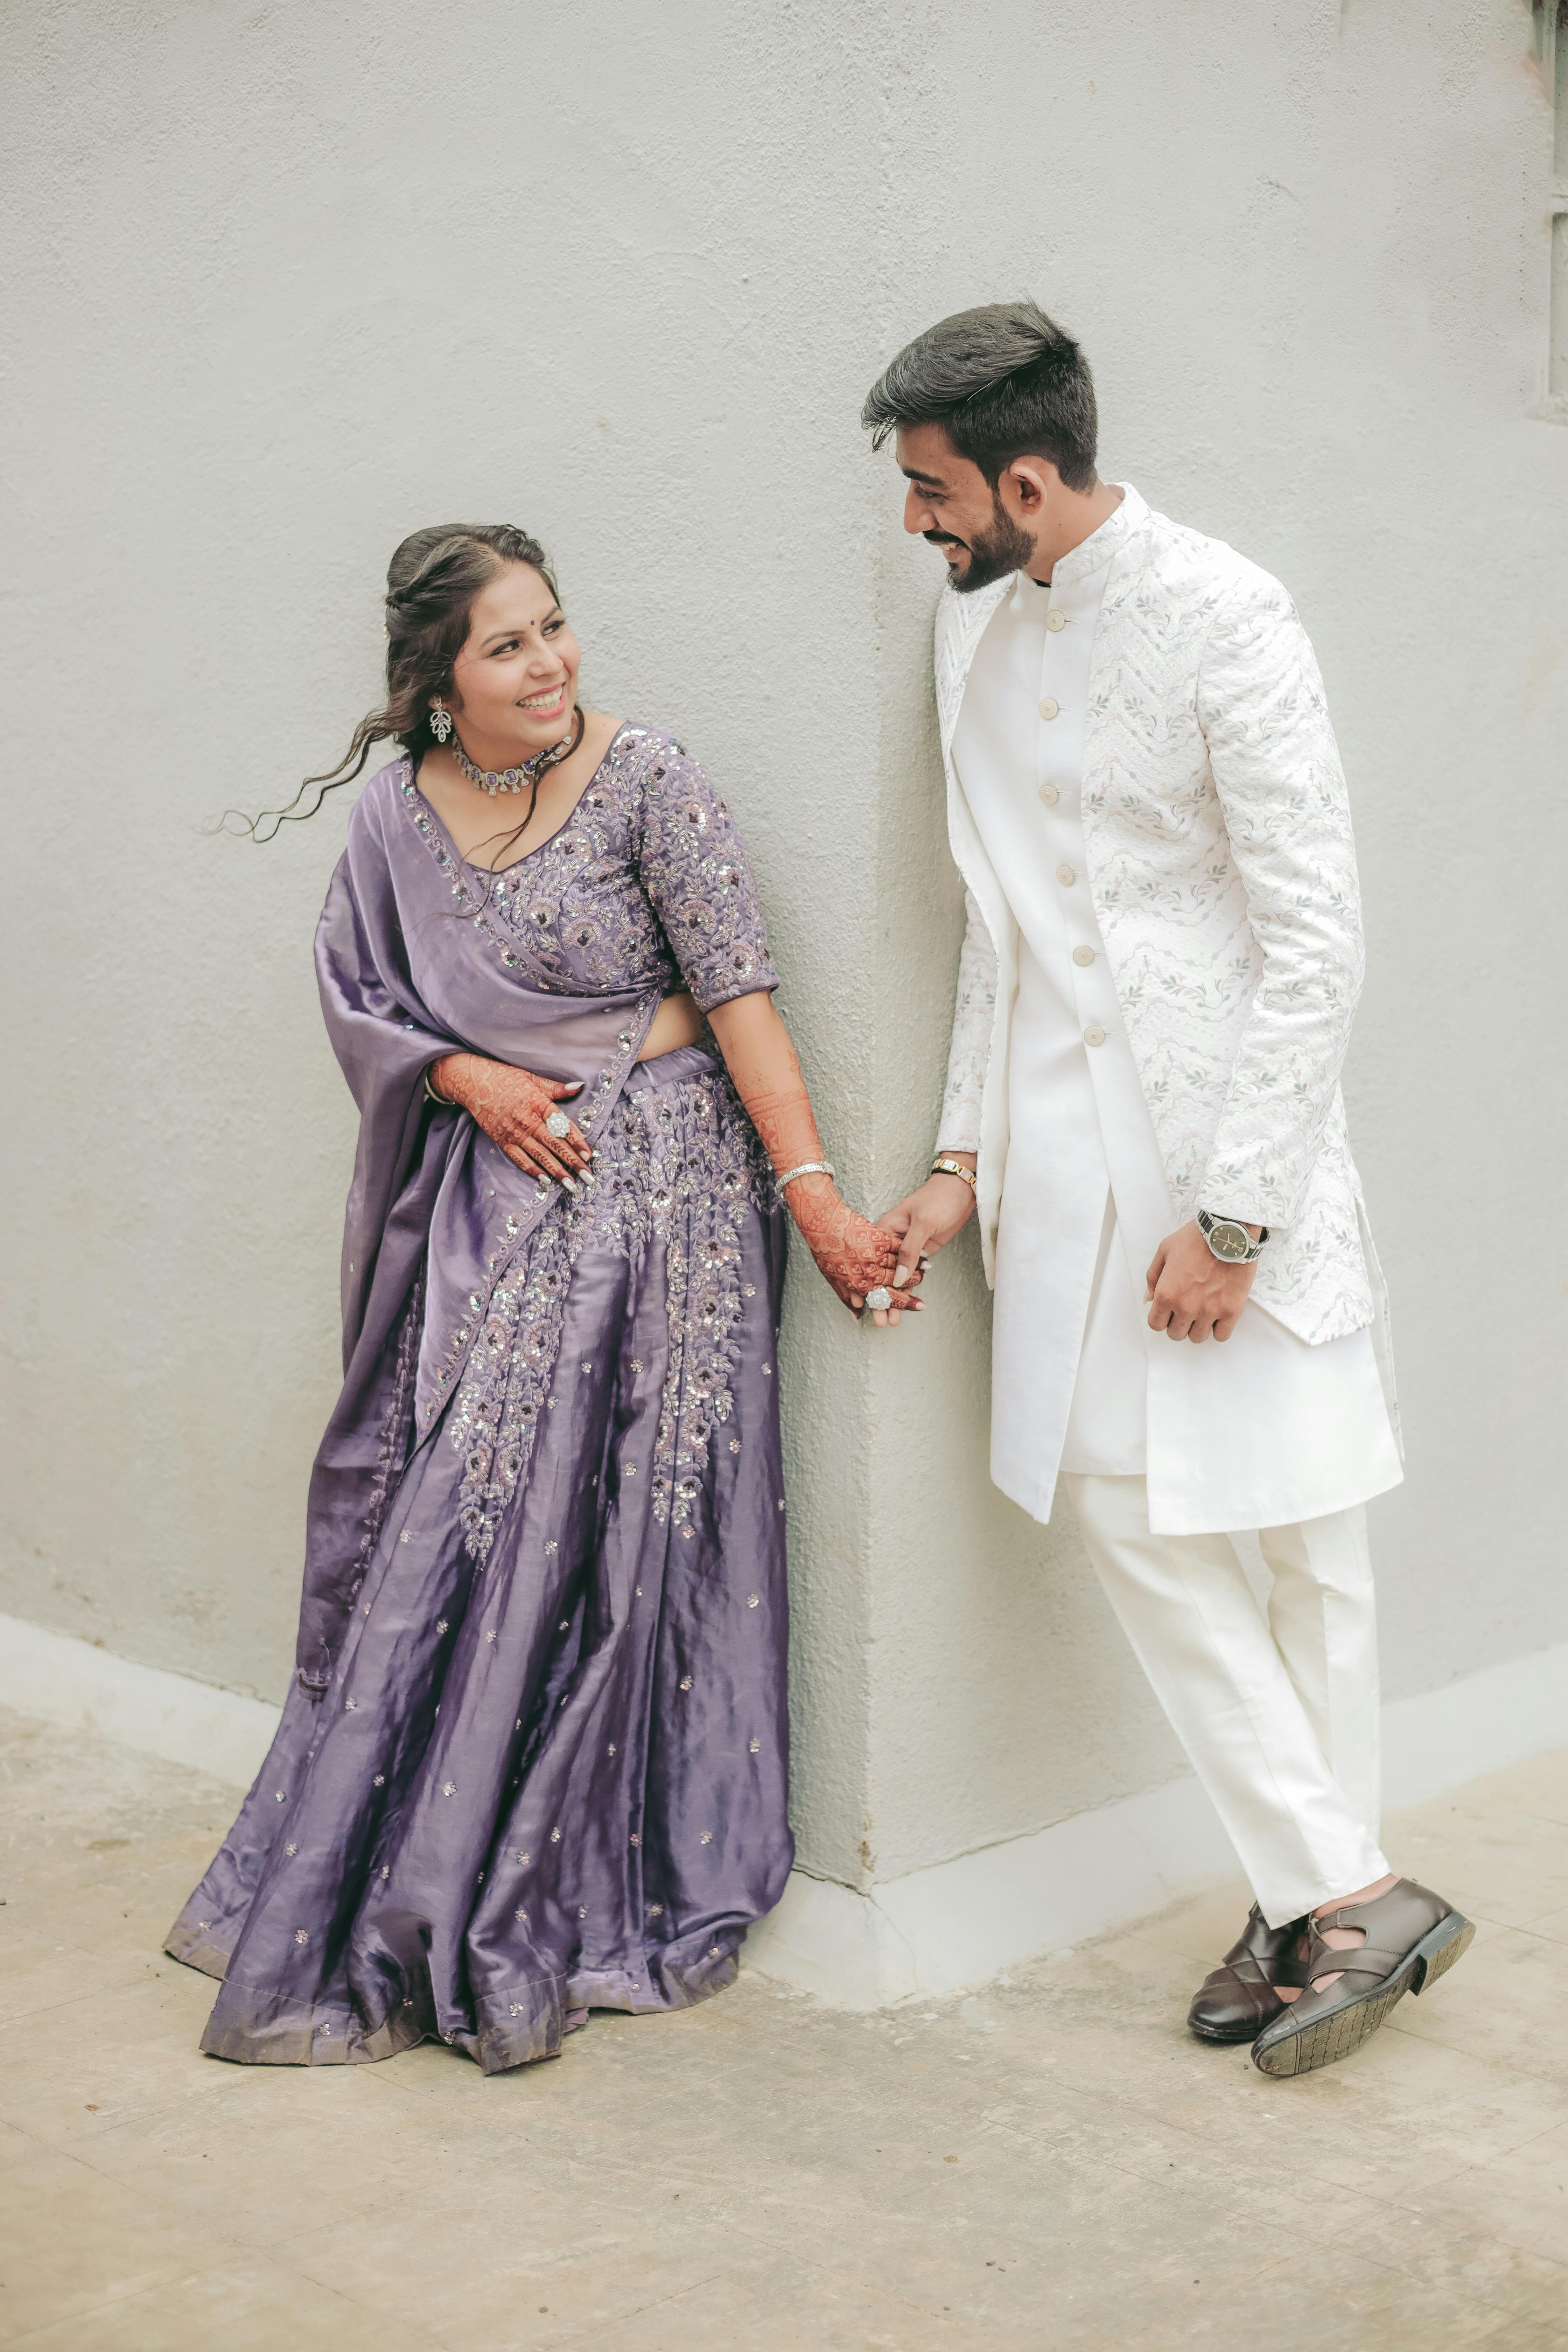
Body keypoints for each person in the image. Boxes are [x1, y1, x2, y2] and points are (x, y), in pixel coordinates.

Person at [166, 523, 911, 2073]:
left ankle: (564, 1879)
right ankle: (405, 1881)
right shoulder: (393, 819)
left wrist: (818, 1199)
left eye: (554, 627)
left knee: (624, 1530)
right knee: (463, 1508)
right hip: (499, 1197)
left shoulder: (653, 782)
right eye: (508, 645)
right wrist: (465, 1072)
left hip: (673, 1195)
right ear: (440, 684)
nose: (551, 662)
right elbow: (362, 1002)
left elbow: (741, 1005)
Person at [861, 304, 1471, 2078]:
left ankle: (1305, 1921)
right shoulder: (964, 633)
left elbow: (1316, 940)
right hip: (1064, 1168)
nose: (913, 520)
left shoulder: (1228, 614)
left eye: (931, 489)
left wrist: (1236, 1219)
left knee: (1306, 1544)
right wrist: (962, 1161)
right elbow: (1002, 934)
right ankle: (1345, 1888)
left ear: (1023, 481)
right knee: (1128, 1512)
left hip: (1229, 1165)